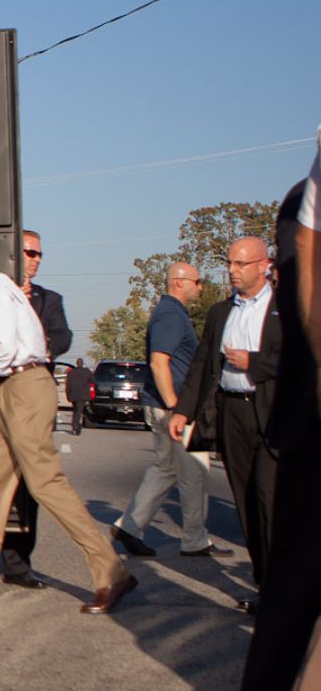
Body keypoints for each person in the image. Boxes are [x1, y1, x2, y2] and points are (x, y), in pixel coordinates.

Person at [0, 229, 134, 612]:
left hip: (25, 390)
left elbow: (2, 347)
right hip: (9, 387)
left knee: (46, 483)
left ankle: (111, 572)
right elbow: (7, 348)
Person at [240, 126, 321, 691]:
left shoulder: (297, 201)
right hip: (306, 421)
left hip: (293, 416)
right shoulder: (303, 205)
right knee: (292, 596)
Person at [171, 236, 284, 601]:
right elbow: (202, 365)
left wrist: (256, 363)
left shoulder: (288, 308)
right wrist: (183, 410)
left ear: (263, 265)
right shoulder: (222, 313)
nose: (232, 270)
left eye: (240, 264)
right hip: (232, 412)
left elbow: (303, 360)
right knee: (246, 501)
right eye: (230, 263)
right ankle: (265, 584)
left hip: (272, 411)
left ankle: (284, 594)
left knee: (270, 499)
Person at [110, 263, 230, 559]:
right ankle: (194, 540)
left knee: (166, 468)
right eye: (198, 281)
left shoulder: (172, 313)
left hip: (164, 406)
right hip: (172, 408)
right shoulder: (170, 314)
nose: (201, 286)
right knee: (195, 472)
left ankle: (129, 527)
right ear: (179, 282)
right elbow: (158, 362)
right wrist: (177, 406)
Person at [0, 229, 70, 588]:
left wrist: (37, 343)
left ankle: (18, 562)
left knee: (31, 483)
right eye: (29, 252)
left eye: (39, 254)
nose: (34, 259)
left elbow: (62, 337)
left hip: (31, 399)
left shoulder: (49, 300)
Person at [66, 359, 93, 434]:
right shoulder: (87, 372)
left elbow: (67, 385)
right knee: (78, 411)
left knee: (75, 411)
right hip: (83, 395)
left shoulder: (71, 372)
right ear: (82, 363)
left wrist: (67, 395)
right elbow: (93, 381)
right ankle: (76, 427)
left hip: (73, 395)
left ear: (76, 363)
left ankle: (75, 425)